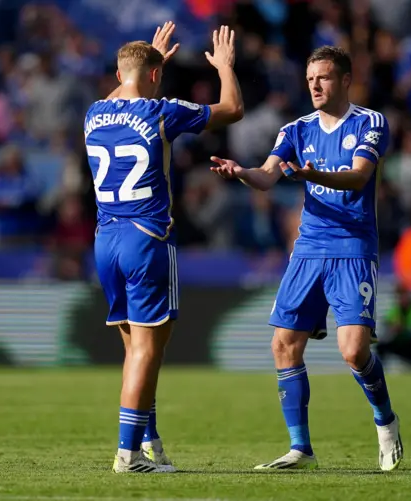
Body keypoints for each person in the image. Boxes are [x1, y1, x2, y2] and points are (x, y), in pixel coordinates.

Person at [211, 46, 402, 471]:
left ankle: (385, 420)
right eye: (311, 77)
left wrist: (310, 174)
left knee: (353, 353)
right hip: (309, 247)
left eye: (325, 77)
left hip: (353, 247)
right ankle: (301, 448)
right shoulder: (296, 130)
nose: (314, 84)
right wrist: (241, 172)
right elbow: (267, 175)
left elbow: (358, 177)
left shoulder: (370, 122)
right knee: (283, 344)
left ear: (346, 80)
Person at [85, 22, 243, 474]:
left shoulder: (95, 111)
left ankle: (149, 440)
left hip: (105, 243)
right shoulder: (161, 111)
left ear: (119, 73)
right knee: (148, 350)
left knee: (135, 348)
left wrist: (146, 63)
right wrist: (226, 67)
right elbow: (232, 108)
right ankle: (128, 454)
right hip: (147, 238)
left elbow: (125, 88)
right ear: (156, 75)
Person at [377, 283, 411, 366]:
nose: (403, 299)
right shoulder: (393, 310)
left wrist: (403, 329)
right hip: (397, 341)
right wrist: (392, 330)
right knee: (381, 345)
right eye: (401, 296)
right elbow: (386, 329)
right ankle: (381, 367)